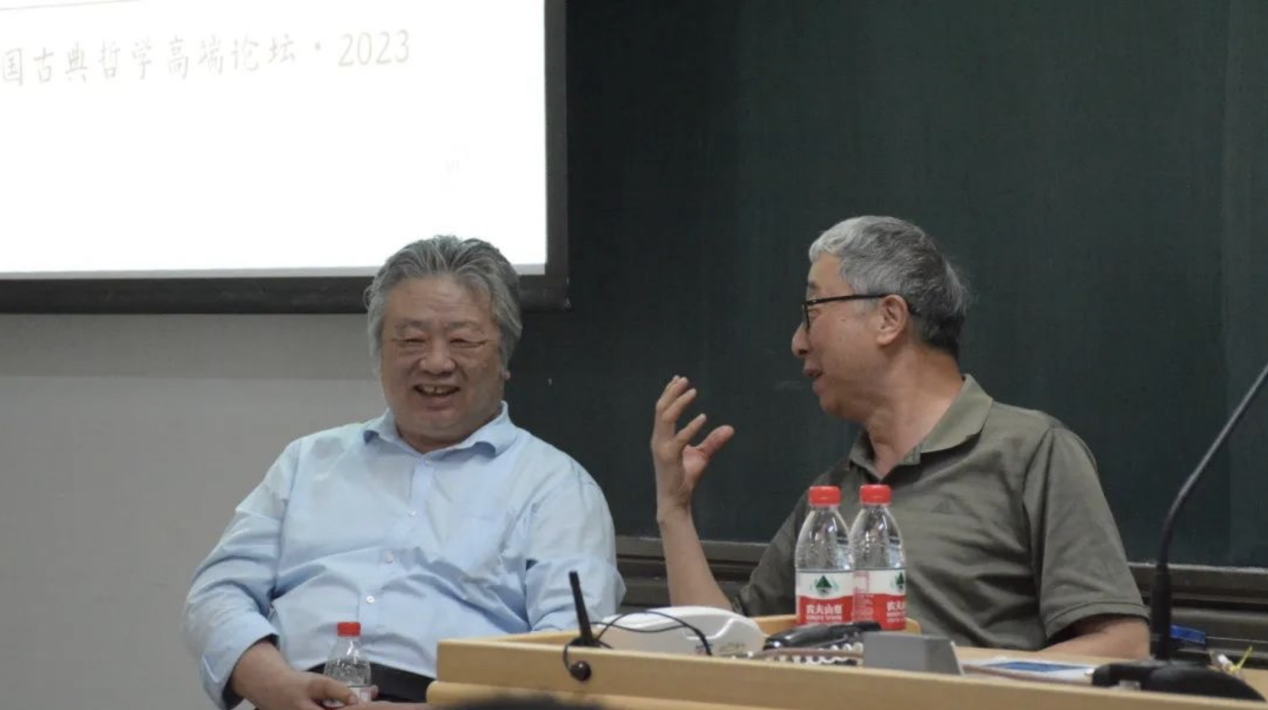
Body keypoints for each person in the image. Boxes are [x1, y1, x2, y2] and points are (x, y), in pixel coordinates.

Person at [650, 216, 1148, 658]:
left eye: (813, 310)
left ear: (889, 318)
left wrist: (960, 685)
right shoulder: (831, 498)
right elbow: (726, 648)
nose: (798, 342)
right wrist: (674, 510)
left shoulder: (1031, 453)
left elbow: (1122, 644)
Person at [183, 236, 625, 709]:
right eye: (411, 340)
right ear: (379, 356)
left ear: (504, 358)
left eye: (462, 340)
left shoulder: (558, 489)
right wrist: (274, 685)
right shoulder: (308, 462)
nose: (436, 362)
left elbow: (574, 656)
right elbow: (218, 592)